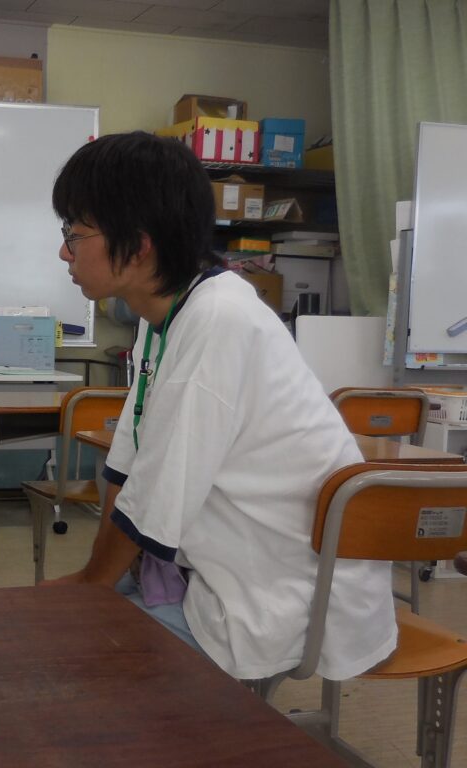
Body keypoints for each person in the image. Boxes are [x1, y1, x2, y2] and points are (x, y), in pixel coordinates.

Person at [43, 132, 396, 683]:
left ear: (138, 246)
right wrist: (95, 580)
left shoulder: (219, 319)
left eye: (75, 233)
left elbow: (158, 496)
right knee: (50, 627)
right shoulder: (165, 314)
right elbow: (128, 464)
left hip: (277, 594)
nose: (64, 251)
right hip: (219, 566)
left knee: (70, 668)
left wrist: (92, 588)